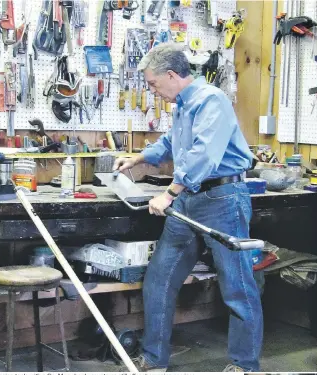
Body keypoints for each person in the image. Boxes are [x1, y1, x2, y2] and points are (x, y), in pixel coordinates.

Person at [113, 43, 263, 372]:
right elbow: (171, 142)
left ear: (171, 75)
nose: (152, 91)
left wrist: (169, 193)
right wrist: (140, 157)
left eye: (153, 84)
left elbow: (203, 154)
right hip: (190, 201)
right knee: (159, 279)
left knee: (237, 288)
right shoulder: (182, 104)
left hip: (222, 199)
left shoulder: (212, 100)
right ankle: (154, 360)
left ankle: (244, 365)